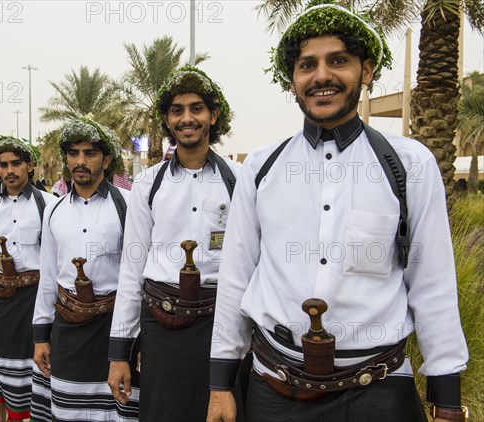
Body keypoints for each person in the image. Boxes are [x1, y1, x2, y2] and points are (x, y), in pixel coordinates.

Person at [206, 3, 469, 422]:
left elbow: (432, 283)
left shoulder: (409, 164)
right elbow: (236, 277)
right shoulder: (261, 166)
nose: (322, 75)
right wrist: (220, 383)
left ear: (366, 71)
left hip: (378, 393)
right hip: (274, 391)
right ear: (292, 80)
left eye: (339, 61)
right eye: (307, 64)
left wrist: (448, 399)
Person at [108, 65, 240, 422]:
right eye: (177, 110)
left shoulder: (239, 181)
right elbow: (132, 267)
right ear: (167, 120)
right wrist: (119, 352)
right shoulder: (148, 184)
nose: (187, 118)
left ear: (213, 115)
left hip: (221, 325)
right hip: (161, 324)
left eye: (196, 108)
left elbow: (250, 264)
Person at [32, 117, 138, 421]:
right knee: (69, 412)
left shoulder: (129, 205)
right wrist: (41, 336)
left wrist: (139, 339)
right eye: (74, 153)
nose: (80, 161)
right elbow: (48, 276)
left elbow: (138, 277)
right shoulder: (53, 209)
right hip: (68, 328)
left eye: (90, 153)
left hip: (116, 330)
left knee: (120, 410)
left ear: (106, 159)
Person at [0, 136, 56, 421]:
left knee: (43, 369)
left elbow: (57, 260)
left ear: (30, 165)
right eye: (3, 165)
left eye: (16, 163)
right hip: (4, 302)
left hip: (38, 299)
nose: (10, 170)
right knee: (9, 376)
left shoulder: (49, 204)